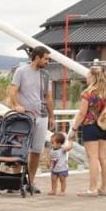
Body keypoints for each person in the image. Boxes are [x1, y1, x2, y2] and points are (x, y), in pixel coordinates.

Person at [8, 46, 54, 194]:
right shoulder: (21, 71)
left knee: (36, 151)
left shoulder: (46, 75)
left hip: (42, 116)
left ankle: (30, 182)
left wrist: (52, 116)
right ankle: (15, 181)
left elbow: (48, 97)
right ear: (37, 57)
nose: (48, 61)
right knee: (19, 149)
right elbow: (13, 90)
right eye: (46, 58)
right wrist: (16, 105)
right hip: (24, 117)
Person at [68, 65, 106, 197]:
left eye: (88, 75)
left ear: (93, 77)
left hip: (90, 126)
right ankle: (104, 188)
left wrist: (74, 129)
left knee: (93, 158)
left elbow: (82, 113)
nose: (87, 77)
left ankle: (92, 189)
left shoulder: (87, 94)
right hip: (104, 127)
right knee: (104, 158)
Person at [48, 132, 72, 196]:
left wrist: (70, 141)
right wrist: (49, 163)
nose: (51, 144)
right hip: (54, 168)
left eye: (53, 143)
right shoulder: (52, 150)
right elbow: (50, 158)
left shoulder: (62, 149)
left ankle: (62, 190)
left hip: (62, 168)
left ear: (59, 144)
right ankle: (53, 190)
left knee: (62, 180)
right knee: (53, 180)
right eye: (51, 142)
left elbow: (69, 148)